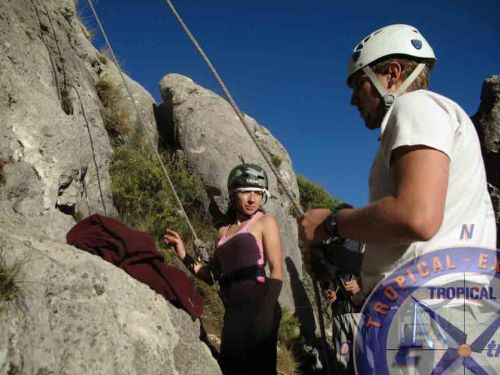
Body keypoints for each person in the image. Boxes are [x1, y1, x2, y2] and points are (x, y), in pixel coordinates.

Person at [300, 23, 496, 305]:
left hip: (424, 309)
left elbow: (416, 217)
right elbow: (413, 248)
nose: (353, 99)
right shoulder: (436, 115)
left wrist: (330, 223)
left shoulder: (415, 105)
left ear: (392, 74)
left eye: (359, 83)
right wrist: (341, 258)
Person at [164, 163, 283, 375]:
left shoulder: (265, 222)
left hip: (260, 303)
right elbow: (211, 275)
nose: (252, 199)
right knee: (230, 367)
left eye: (258, 193)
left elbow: (276, 270)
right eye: (245, 191)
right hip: (234, 309)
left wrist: (266, 311)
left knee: (260, 369)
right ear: (232, 193)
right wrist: (183, 254)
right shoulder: (222, 233)